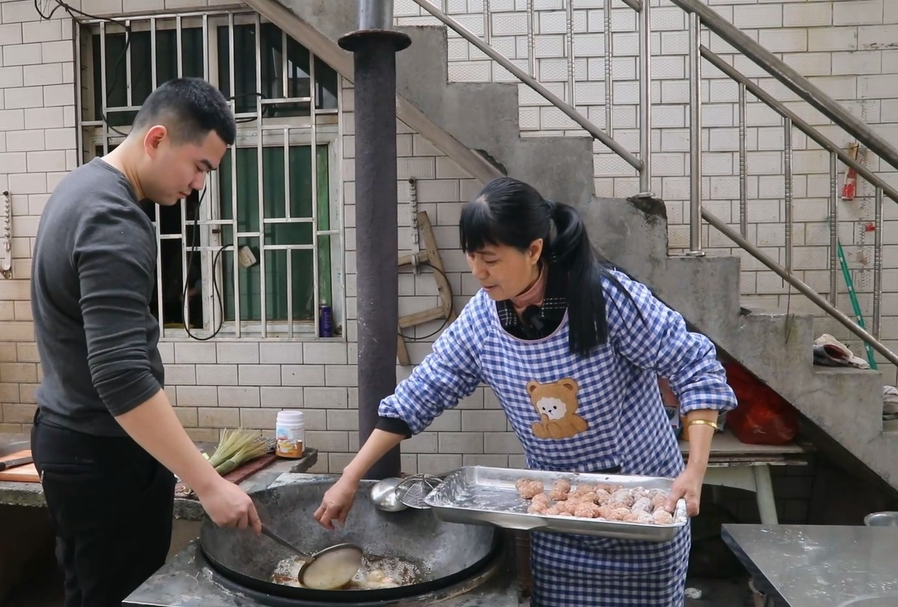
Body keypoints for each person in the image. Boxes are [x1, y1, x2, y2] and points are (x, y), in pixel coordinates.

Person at [314, 176, 737, 606]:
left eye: (491, 259)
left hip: (644, 518)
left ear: (534, 250)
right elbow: (418, 395)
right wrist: (350, 478)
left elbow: (695, 366)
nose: (477, 272)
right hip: (556, 525)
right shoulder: (481, 321)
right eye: (471, 256)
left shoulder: (605, 298)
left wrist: (695, 469)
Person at [30, 78, 262, 607]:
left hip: (72, 441)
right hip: (101, 457)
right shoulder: (114, 219)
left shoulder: (79, 188)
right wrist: (207, 482)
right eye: (200, 166)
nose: (200, 185)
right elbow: (121, 375)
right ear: (156, 139)